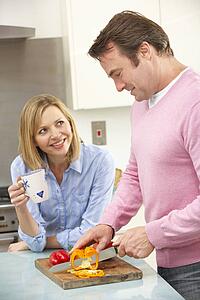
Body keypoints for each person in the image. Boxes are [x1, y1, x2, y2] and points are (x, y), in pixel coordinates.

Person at [72, 10, 200, 300]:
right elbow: (134, 174)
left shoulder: (195, 102)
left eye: (118, 74)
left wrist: (153, 234)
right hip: (169, 265)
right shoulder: (141, 104)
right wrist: (108, 223)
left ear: (145, 51)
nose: (118, 87)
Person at [8, 94, 115, 252]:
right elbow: (36, 243)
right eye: (43, 130)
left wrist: (43, 242)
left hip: (89, 254)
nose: (56, 135)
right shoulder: (22, 167)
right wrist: (21, 207)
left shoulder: (100, 162)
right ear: (33, 140)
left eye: (59, 123)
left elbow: (92, 233)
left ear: (70, 123)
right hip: (41, 260)